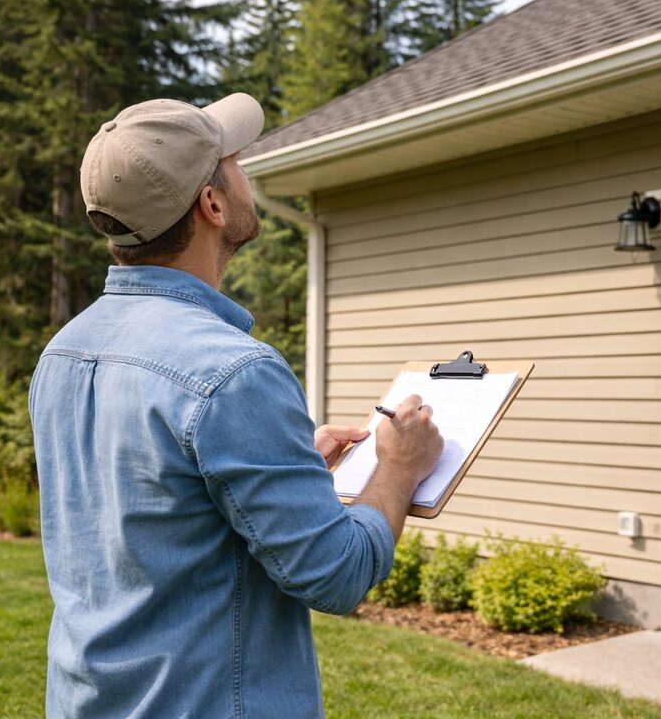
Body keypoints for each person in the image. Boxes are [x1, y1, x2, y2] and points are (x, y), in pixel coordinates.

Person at [29, 93, 444, 719]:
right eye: (233, 159)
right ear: (213, 204)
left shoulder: (62, 352)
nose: (244, 168)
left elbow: (149, 511)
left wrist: (287, 465)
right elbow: (335, 574)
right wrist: (399, 467)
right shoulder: (234, 372)